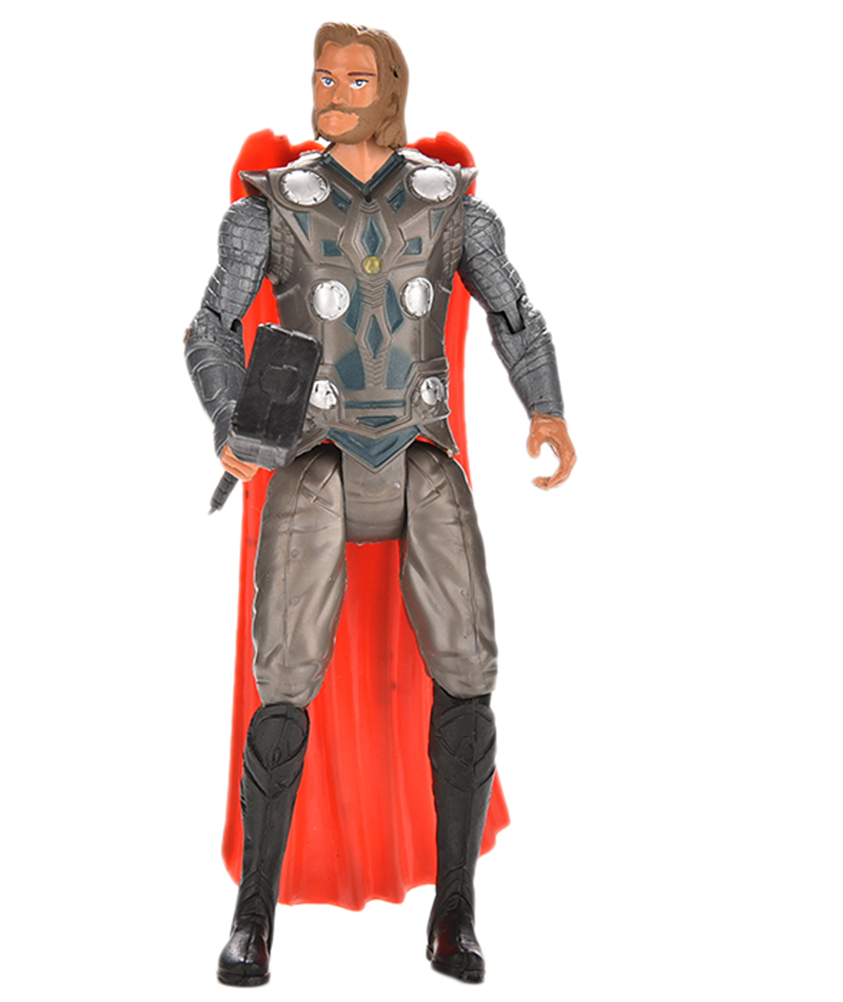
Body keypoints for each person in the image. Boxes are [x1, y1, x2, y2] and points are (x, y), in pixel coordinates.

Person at [184, 22, 575, 986]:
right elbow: (210, 325)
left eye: (354, 79)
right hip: (313, 453)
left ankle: (456, 914)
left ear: (392, 89)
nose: (332, 90)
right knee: (284, 676)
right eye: (323, 76)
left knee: (468, 669)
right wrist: (231, 415)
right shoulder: (269, 206)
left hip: (422, 451)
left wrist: (547, 408)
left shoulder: (452, 204)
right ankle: (253, 918)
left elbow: (513, 312)